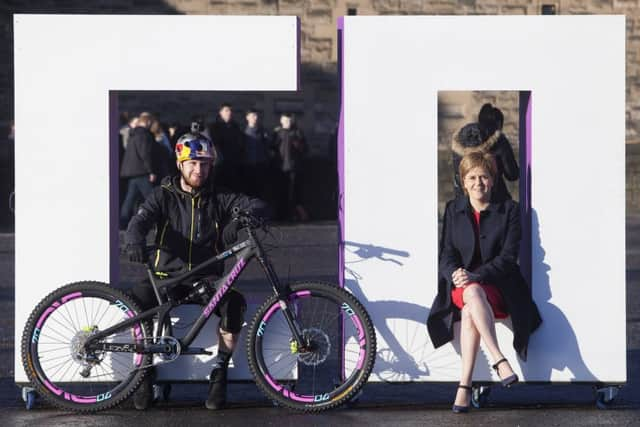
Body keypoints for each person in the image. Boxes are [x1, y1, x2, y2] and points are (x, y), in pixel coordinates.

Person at [125, 131, 267, 410]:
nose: (198, 169)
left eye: (204, 164)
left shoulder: (220, 197)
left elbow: (255, 203)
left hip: (208, 278)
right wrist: (134, 240)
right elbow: (139, 221)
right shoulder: (162, 195)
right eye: (191, 163)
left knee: (234, 303)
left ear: (211, 165)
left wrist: (250, 215)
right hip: (167, 276)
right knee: (137, 301)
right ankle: (143, 369)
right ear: (180, 164)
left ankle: (219, 372)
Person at [427, 152, 541, 413]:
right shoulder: (453, 209)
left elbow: (509, 258)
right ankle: (499, 358)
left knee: (471, 306)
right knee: (471, 293)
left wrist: (475, 276)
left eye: (484, 177)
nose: (478, 182)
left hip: (499, 287)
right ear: (463, 182)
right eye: (472, 177)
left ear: (492, 180)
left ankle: (464, 386)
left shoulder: (509, 210)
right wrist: (454, 273)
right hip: (460, 287)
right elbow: (446, 253)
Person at [451, 104, 519, 202]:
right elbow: (512, 175)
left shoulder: (460, 139)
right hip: (495, 203)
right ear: (499, 123)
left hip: (463, 202)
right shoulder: (499, 140)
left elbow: (458, 175)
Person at [120, 112, 158, 229]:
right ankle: (158, 222)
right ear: (147, 122)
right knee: (152, 198)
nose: (151, 125)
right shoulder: (144, 135)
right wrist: (151, 171)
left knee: (129, 200)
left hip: (132, 173)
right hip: (141, 172)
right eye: (150, 123)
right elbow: (145, 154)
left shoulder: (134, 134)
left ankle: (122, 222)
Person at [271, 112, 308, 221]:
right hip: (279, 168)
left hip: (293, 168)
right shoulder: (277, 133)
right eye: (285, 120)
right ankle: (281, 215)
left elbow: (305, 149)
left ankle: (292, 215)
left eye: (289, 120)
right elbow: (271, 148)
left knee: (292, 193)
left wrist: (298, 144)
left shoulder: (297, 132)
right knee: (280, 192)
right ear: (281, 121)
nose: (287, 123)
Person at [209, 102, 245, 192]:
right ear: (220, 112)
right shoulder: (214, 127)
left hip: (234, 164)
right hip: (220, 165)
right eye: (226, 110)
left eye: (230, 111)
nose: (229, 113)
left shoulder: (235, 126)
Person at [242, 108, 270, 198]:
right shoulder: (244, 133)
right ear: (247, 117)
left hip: (261, 165)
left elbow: (267, 146)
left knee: (261, 190)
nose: (255, 117)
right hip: (249, 165)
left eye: (256, 115)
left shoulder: (262, 131)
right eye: (253, 115)